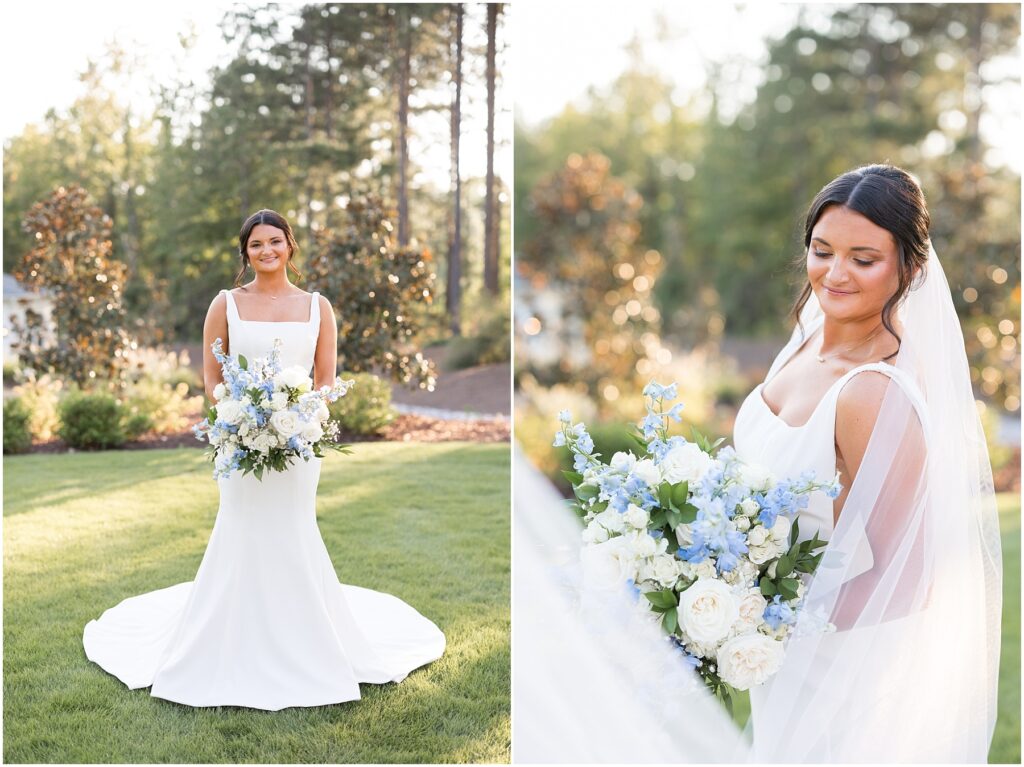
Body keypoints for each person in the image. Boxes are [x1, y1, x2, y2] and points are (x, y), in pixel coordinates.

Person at [83, 209, 445, 710]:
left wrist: (294, 418)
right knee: (241, 527)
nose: (266, 251)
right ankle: (225, 641)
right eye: (256, 244)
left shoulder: (319, 307)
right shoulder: (226, 304)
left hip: (299, 446)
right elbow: (212, 378)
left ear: (290, 246)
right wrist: (241, 416)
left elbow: (325, 381)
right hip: (238, 442)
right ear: (246, 252)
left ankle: (307, 640)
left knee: (293, 530)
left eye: (275, 241)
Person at [733, 164, 1001, 761]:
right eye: (822, 250)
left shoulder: (874, 393)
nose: (834, 274)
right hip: (778, 650)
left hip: (835, 671)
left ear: (908, 267)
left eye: (863, 258)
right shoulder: (807, 337)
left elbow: (909, 576)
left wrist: (765, 624)